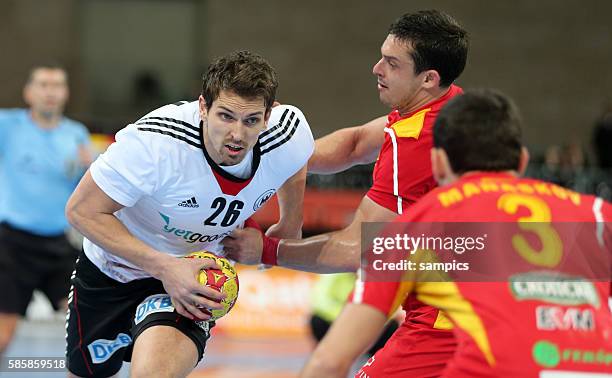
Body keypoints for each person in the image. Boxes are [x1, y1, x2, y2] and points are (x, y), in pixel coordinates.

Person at [300, 89, 612, 377]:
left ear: (437, 163)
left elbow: (329, 361)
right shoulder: (599, 215)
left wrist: (269, 249)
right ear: (522, 161)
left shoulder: (420, 225)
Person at [224, 10, 468, 377]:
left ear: (428, 78)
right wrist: (270, 154)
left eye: (391, 63)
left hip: (442, 323)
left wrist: (268, 250)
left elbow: (360, 249)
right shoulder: (449, 105)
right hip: (477, 307)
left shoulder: (415, 147)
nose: (376, 68)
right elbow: (354, 145)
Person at [64, 50, 314, 377]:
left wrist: (290, 222)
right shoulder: (155, 144)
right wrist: (165, 266)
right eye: (226, 116)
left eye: (251, 120)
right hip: (114, 269)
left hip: (196, 274)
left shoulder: (287, 133)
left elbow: (295, 161)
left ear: (268, 117)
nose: (238, 134)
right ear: (203, 107)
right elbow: (81, 211)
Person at [0, 64, 91, 355]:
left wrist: (91, 167)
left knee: (88, 325)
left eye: (57, 85)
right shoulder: (7, 125)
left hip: (58, 245)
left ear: (65, 94)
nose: (50, 92)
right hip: (11, 245)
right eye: (43, 85)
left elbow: (88, 191)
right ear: (28, 92)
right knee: (3, 334)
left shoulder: (77, 135)